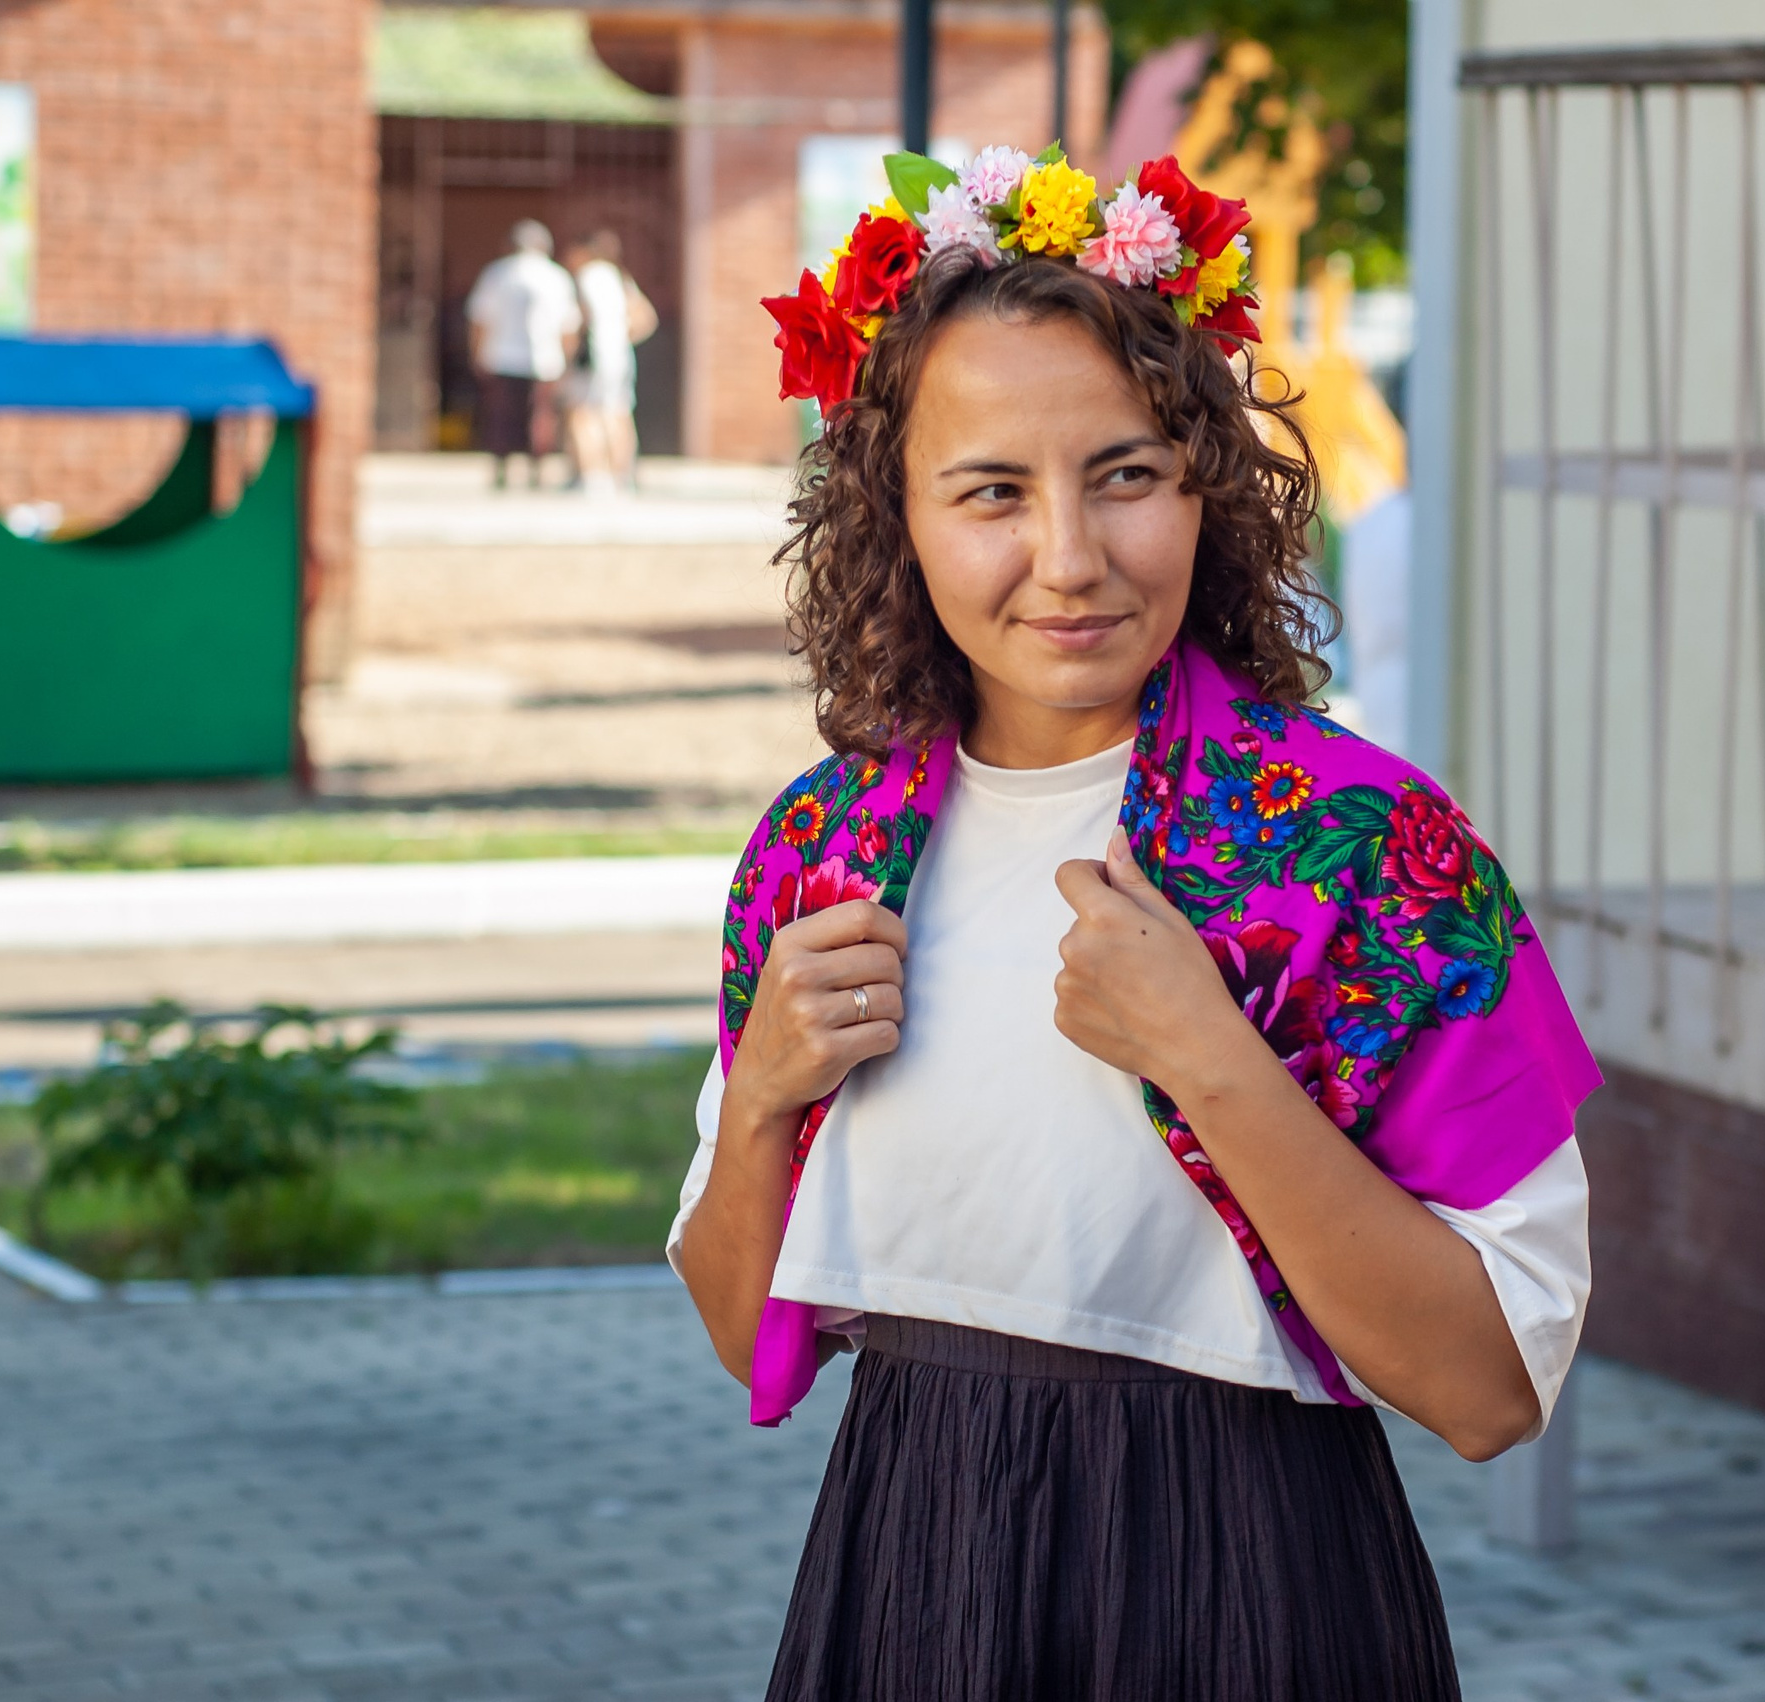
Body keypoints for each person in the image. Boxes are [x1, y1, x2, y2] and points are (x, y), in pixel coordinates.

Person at [668, 143, 1601, 1700]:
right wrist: (764, 1092)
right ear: (893, 516)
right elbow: (739, 1327)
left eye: (1124, 474)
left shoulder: (1371, 854)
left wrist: (1214, 1059)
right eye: (990, 493)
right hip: (910, 1569)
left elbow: (1491, 1386)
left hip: (1255, 1586)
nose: (1069, 559)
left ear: (1206, 483)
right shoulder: (822, 852)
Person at [464, 219, 580, 490]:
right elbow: (568, 326)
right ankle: (536, 471)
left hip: (502, 357)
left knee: (501, 417)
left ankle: (501, 470)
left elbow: (480, 320)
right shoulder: (555, 277)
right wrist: (567, 359)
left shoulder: (498, 274)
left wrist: (477, 353)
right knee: (539, 416)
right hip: (544, 359)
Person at [560, 228, 658, 495]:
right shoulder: (620, 278)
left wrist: (570, 356)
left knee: (582, 416)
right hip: (619, 356)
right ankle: (621, 477)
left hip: (592, 356)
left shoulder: (584, 277)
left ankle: (591, 477)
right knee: (618, 414)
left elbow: (576, 320)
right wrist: (620, 338)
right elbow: (646, 317)